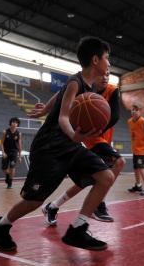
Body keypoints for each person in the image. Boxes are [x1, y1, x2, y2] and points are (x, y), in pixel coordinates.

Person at [0, 36, 114, 252]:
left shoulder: (86, 83)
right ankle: (1, 226)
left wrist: (46, 108)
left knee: (106, 177)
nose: (109, 63)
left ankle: (78, 229)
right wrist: (72, 135)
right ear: (95, 60)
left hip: (71, 147)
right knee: (35, 200)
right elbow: (63, 118)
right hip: (51, 147)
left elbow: (61, 92)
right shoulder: (77, 82)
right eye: (107, 58)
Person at [30, 71, 125, 224]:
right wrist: (45, 110)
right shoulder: (83, 85)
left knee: (88, 180)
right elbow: (61, 95)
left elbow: (114, 117)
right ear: (94, 71)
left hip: (101, 136)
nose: (105, 76)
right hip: (89, 137)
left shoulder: (112, 90)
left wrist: (97, 123)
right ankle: (98, 204)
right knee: (119, 162)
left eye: (108, 74)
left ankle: (53, 206)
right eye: (102, 74)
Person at [127, 102, 144, 195]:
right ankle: (138, 185)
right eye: (132, 109)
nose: (134, 111)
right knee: (136, 168)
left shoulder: (143, 121)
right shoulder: (129, 121)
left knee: (141, 168)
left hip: (143, 150)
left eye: (136, 110)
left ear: (140, 111)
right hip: (135, 149)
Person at [0, 117, 22, 189]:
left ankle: (10, 183)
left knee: (12, 167)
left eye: (16, 122)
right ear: (10, 123)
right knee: (4, 169)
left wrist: (20, 155)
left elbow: (19, 144)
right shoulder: (5, 132)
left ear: (17, 124)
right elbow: (1, 143)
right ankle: (8, 176)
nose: (14, 123)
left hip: (14, 152)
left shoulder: (19, 133)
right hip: (6, 152)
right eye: (13, 122)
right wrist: (3, 152)